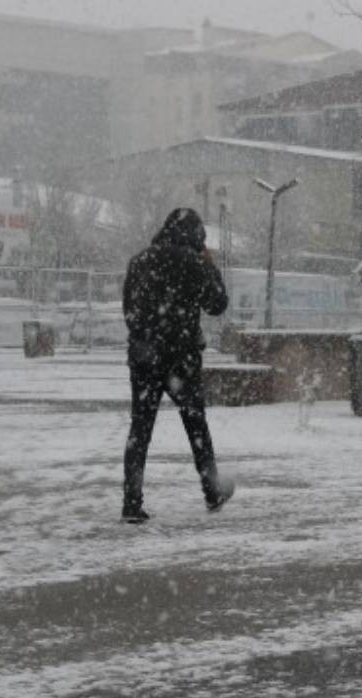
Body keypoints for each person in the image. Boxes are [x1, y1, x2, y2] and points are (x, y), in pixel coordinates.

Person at [120, 208, 231, 524]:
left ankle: (131, 502)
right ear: (195, 236)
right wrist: (210, 267)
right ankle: (212, 491)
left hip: (143, 357)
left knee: (139, 430)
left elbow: (129, 312)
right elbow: (217, 304)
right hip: (181, 359)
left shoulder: (139, 261)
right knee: (196, 424)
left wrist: (146, 338)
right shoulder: (194, 263)